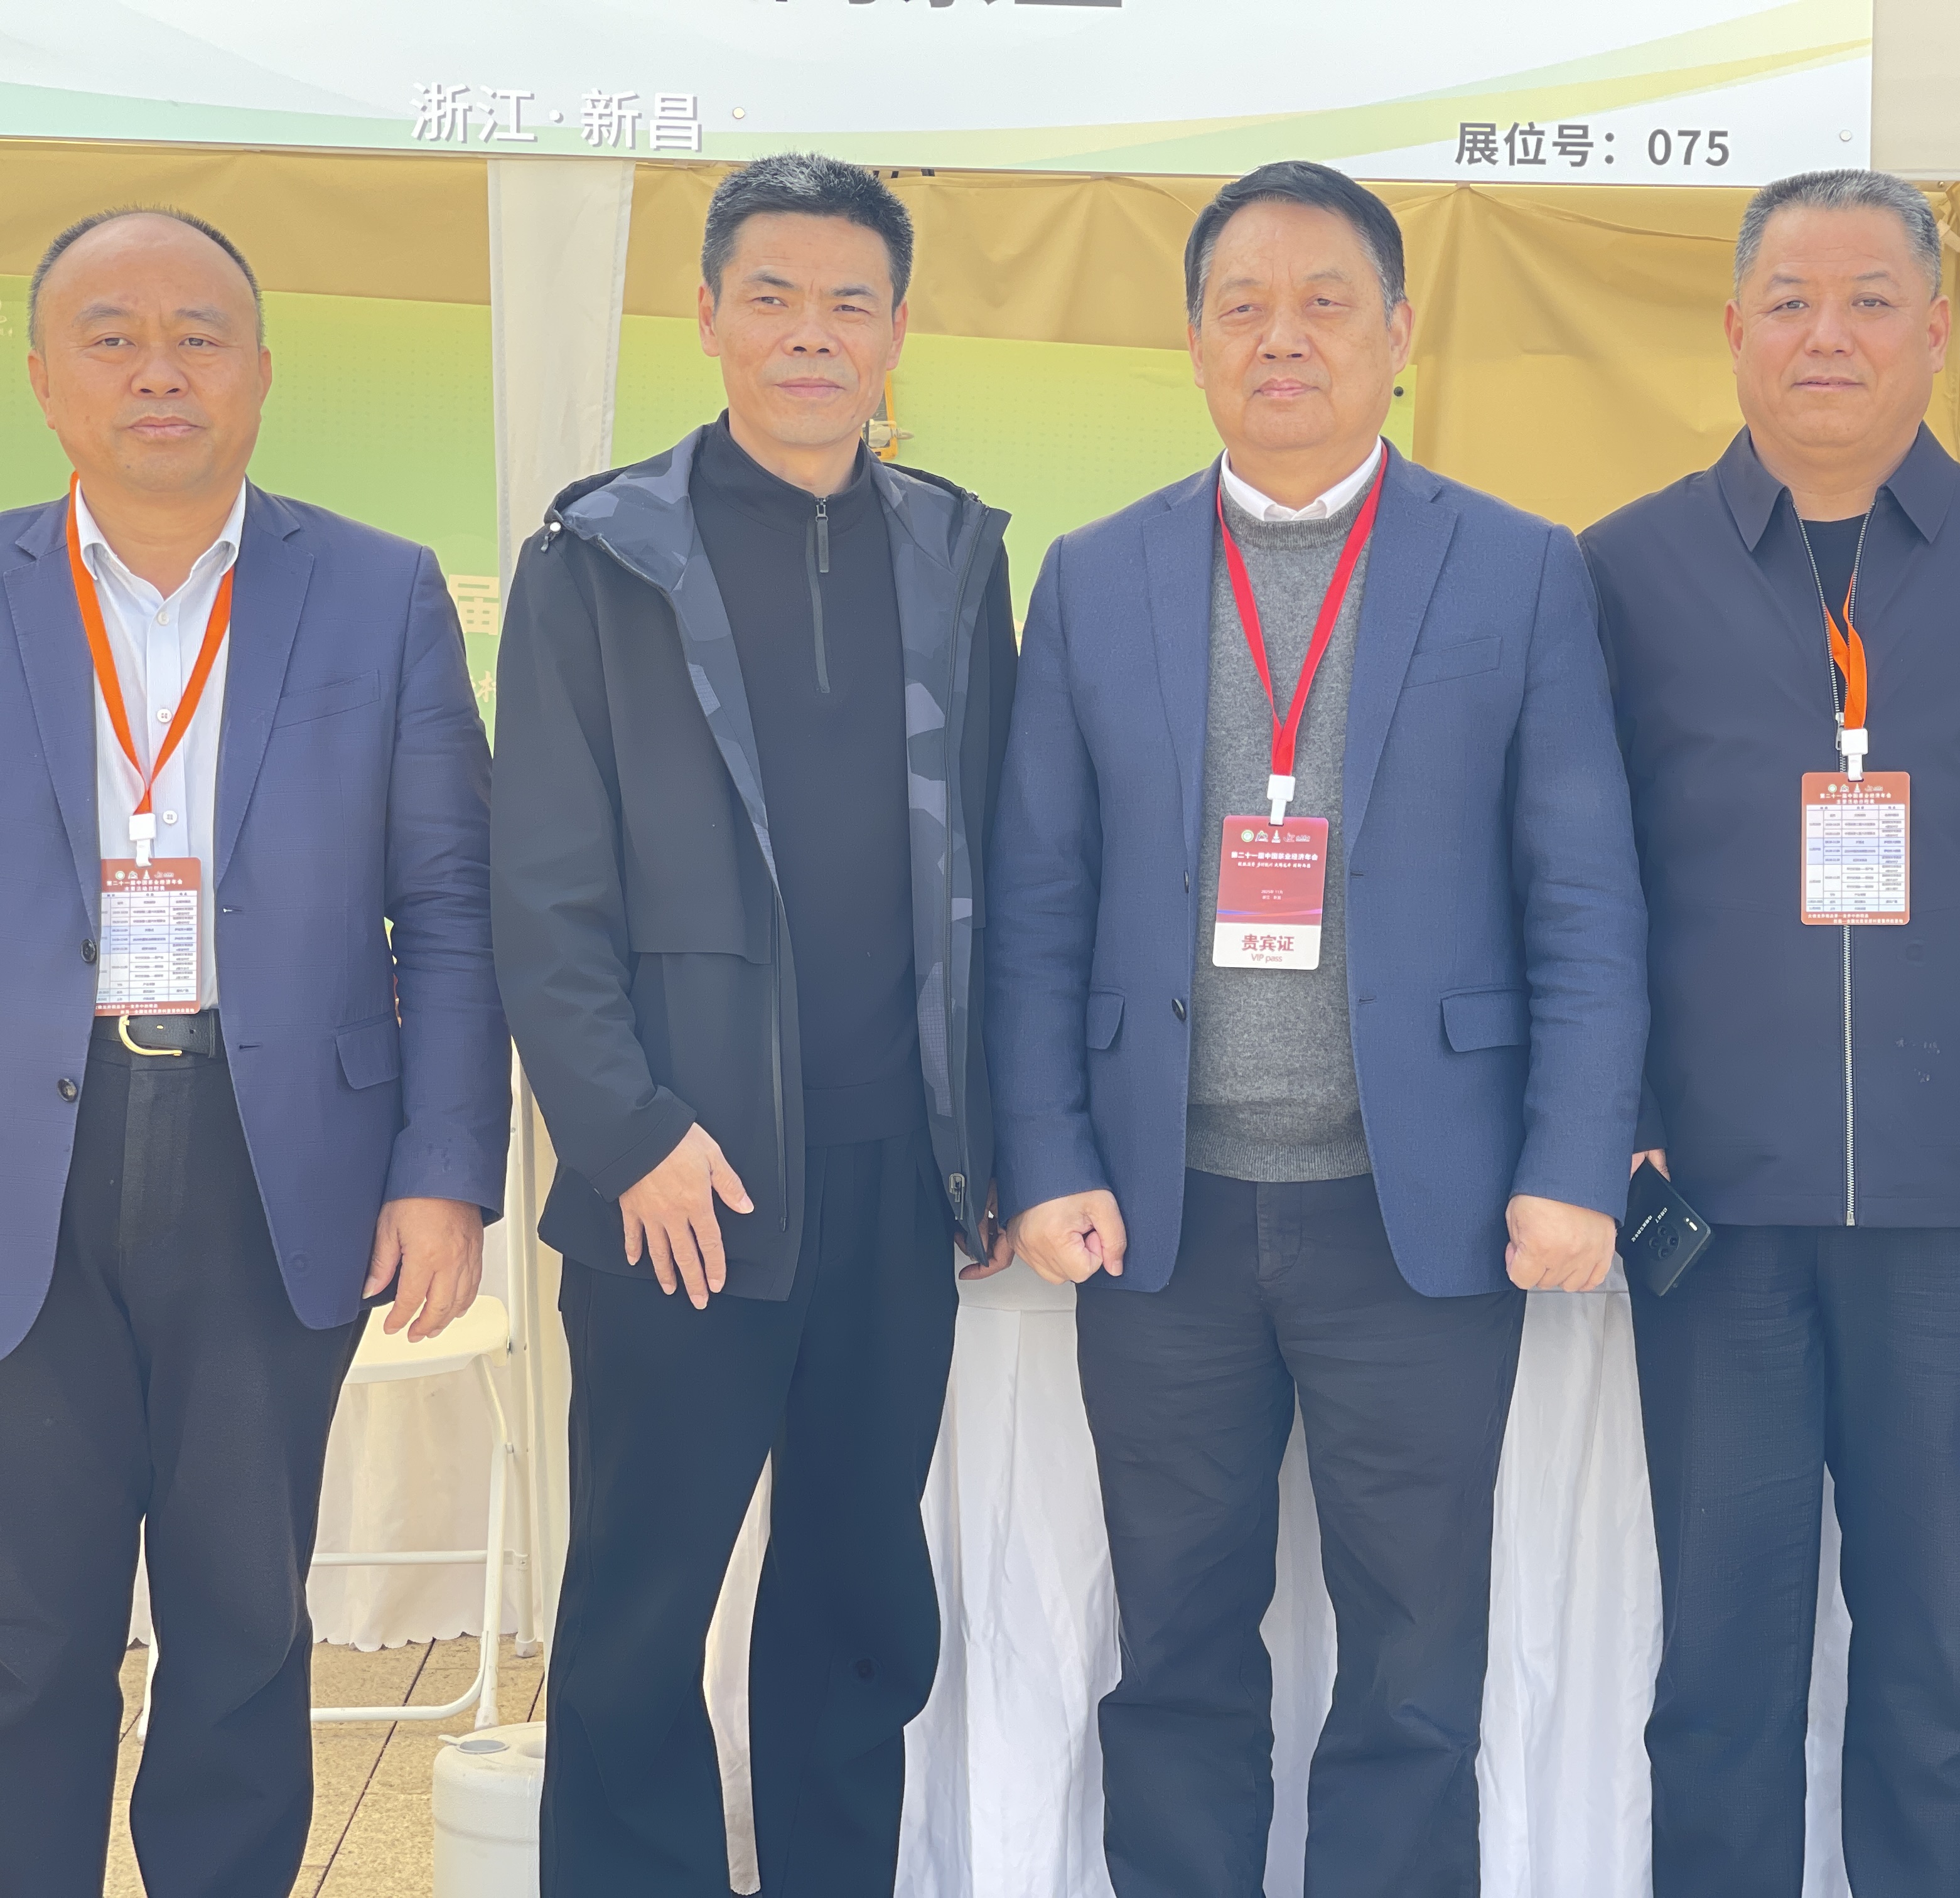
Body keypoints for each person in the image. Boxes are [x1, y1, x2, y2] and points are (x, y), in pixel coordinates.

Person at [985, 159, 1646, 1897]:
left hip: (1419, 1211)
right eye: (1244, 307)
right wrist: (1042, 1155)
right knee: (1177, 1646)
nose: (1284, 338)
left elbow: (1584, 893)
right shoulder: (1097, 575)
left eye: (1326, 303)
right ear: (1196, 338)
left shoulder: (1517, 569)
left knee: (1416, 1659)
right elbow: (1037, 894)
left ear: (1400, 333)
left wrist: (1573, 1163)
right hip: (1162, 1211)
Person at [1583, 169, 1960, 1897]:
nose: (1825, 335)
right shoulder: (1627, 568)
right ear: (1733, 330)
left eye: (1867, 302)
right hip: (1713, 1202)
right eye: (1789, 301)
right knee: (1720, 1666)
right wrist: (1614, 1123)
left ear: (1934, 329)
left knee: (1934, 1666)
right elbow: (1579, 882)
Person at [492, 154, 1015, 1897]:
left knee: (860, 1603)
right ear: (709, 315)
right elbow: (540, 890)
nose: (811, 333)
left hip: (895, 1181)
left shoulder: (957, 555)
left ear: (897, 331)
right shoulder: (599, 558)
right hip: (683, 1180)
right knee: (641, 1611)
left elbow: (1001, 867)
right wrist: (628, 1133)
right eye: (773, 297)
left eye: (849, 302)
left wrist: (988, 1149)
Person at [0, 208, 507, 1896]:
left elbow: (450, 902)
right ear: (44, 377)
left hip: (278, 1154)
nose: (160, 369)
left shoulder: (376, 590)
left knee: (241, 1608)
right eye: (113, 336)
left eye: (199, 335)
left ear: (264, 373)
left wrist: (445, 1170)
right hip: (27, 1157)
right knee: (27, 1620)